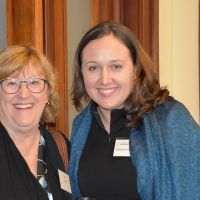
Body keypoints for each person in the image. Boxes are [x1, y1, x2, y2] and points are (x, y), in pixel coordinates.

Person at [68, 21, 200, 200]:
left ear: (136, 70)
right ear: (82, 73)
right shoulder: (81, 126)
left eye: (116, 66)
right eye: (93, 67)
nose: (104, 79)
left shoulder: (170, 119)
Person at [0, 45, 71, 200]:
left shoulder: (61, 146)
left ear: (47, 93)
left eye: (34, 82)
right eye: (11, 83)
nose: (23, 94)